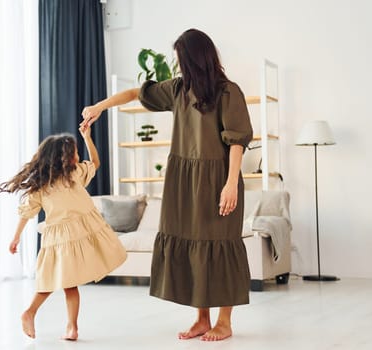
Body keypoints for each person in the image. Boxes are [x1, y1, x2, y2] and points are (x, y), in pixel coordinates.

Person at [81, 28, 253, 342]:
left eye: (182, 60)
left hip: (218, 179)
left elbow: (237, 142)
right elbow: (136, 93)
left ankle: (224, 321)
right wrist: (99, 107)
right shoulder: (178, 90)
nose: (179, 66)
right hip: (183, 181)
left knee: (220, 243)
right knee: (191, 242)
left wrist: (231, 184)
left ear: (196, 59)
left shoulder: (229, 92)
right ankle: (202, 318)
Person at [0, 126, 127, 340]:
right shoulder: (42, 186)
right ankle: (30, 312)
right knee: (55, 281)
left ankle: (72, 327)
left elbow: (95, 162)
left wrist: (87, 137)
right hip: (60, 238)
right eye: (74, 152)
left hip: (79, 232)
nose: (77, 156)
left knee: (70, 284)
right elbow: (27, 212)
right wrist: (15, 236)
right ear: (63, 157)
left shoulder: (74, 175)